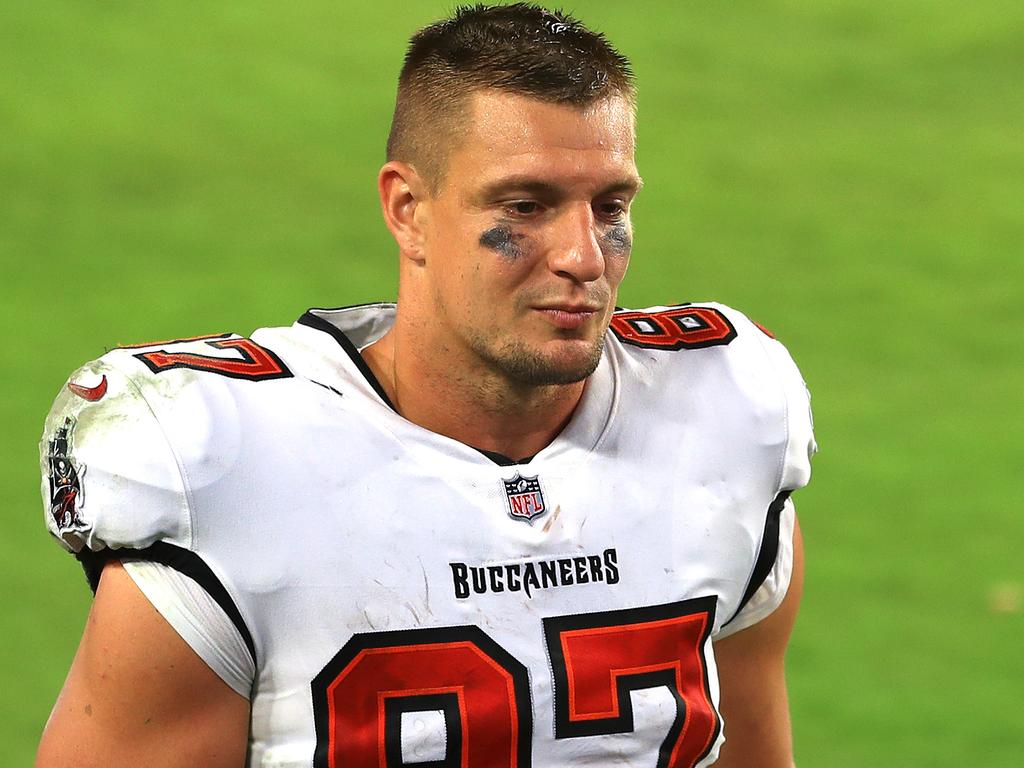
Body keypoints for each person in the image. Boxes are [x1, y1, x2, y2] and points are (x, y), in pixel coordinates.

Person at [36, 4, 815, 767]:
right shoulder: (222, 467)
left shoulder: (723, 417)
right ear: (407, 209)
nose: (584, 256)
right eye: (525, 206)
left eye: (609, 206)